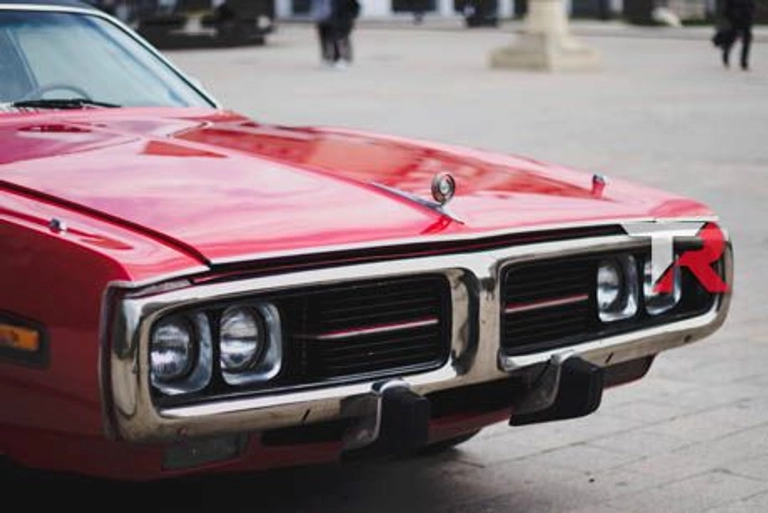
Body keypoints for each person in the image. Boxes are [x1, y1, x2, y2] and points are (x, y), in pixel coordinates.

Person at [311, 0, 360, 68]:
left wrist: (351, 17)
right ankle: (328, 58)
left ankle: (341, 59)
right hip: (325, 20)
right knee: (326, 39)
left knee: (338, 39)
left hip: (339, 19)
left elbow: (355, 6)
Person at [720, 0, 755, 70]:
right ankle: (725, 54)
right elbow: (726, 9)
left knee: (747, 41)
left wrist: (751, 14)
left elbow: (752, 5)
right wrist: (732, 18)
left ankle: (744, 62)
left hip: (746, 20)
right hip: (735, 21)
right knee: (731, 40)